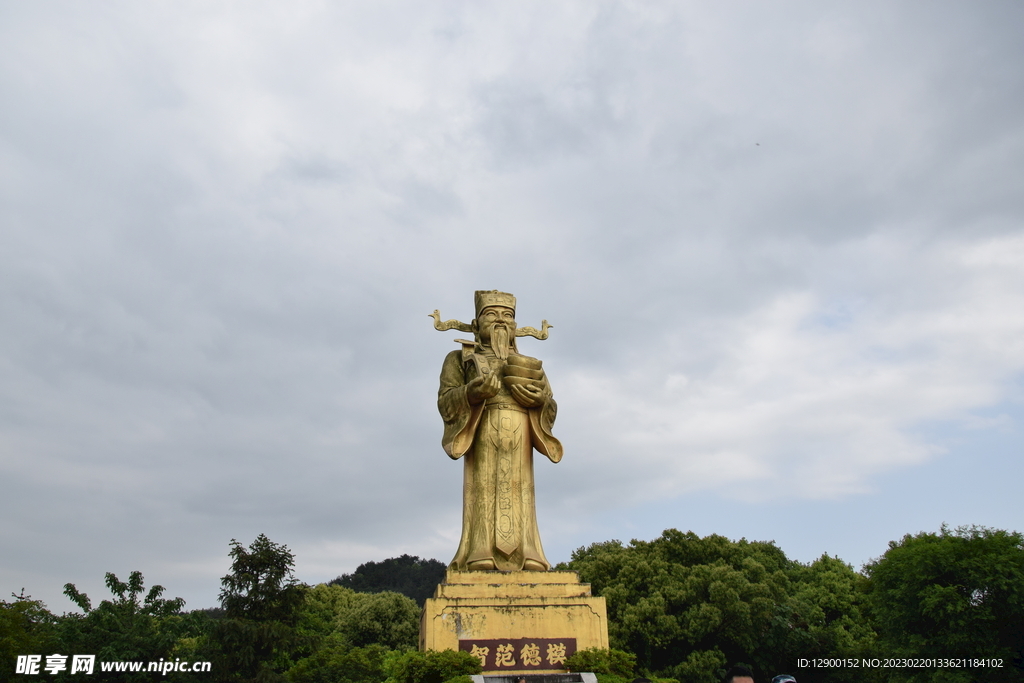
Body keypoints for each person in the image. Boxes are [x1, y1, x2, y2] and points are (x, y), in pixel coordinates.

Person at [438, 290, 562, 571]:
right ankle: (478, 552)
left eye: (508, 316)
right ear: (475, 323)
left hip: (522, 431)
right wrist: (472, 392)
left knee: (522, 492)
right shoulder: (460, 359)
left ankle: (529, 552)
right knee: (483, 489)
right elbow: (445, 400)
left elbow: (551, 407)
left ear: (516, 326)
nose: (501, 321)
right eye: (491, 315)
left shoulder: (530, 367)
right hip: (482, 428)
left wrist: (540, 402)